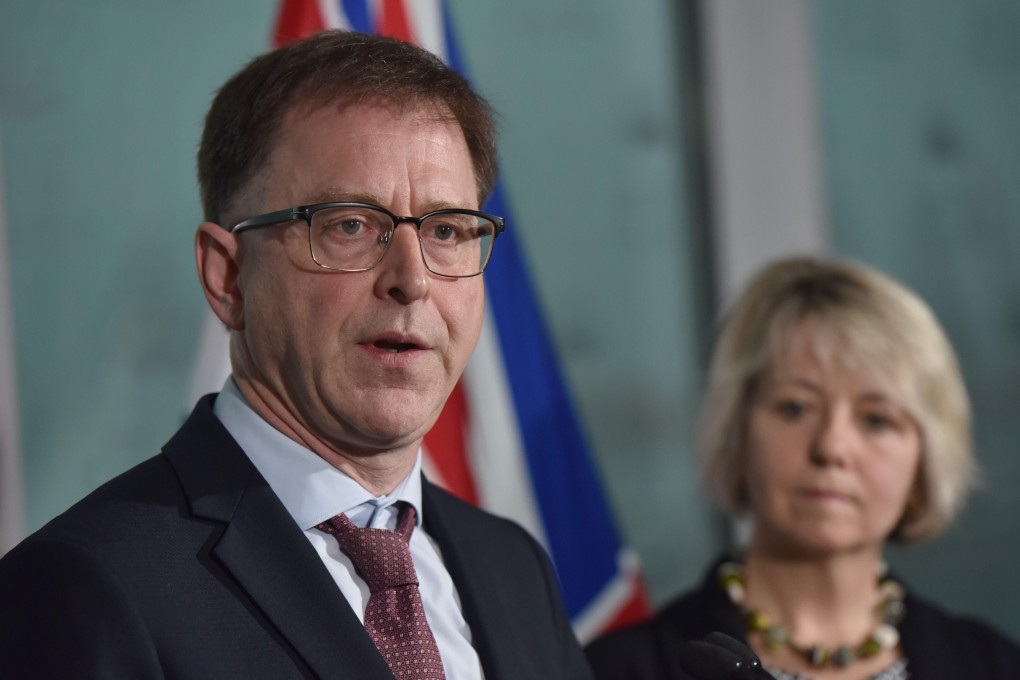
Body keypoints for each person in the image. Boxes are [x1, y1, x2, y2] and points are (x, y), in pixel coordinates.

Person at [0, 30, 595, 680]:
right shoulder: (86, 586)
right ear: (227, 277)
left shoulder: (515, 570)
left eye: (447, 230)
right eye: (349, 225)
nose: (413, 279)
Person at [585, 256, 1020, 680]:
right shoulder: (618, 669)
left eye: (876, 419)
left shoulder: (994, 665)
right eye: (796, 408)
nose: (831, 446)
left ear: (924, 465)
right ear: (737, 434)